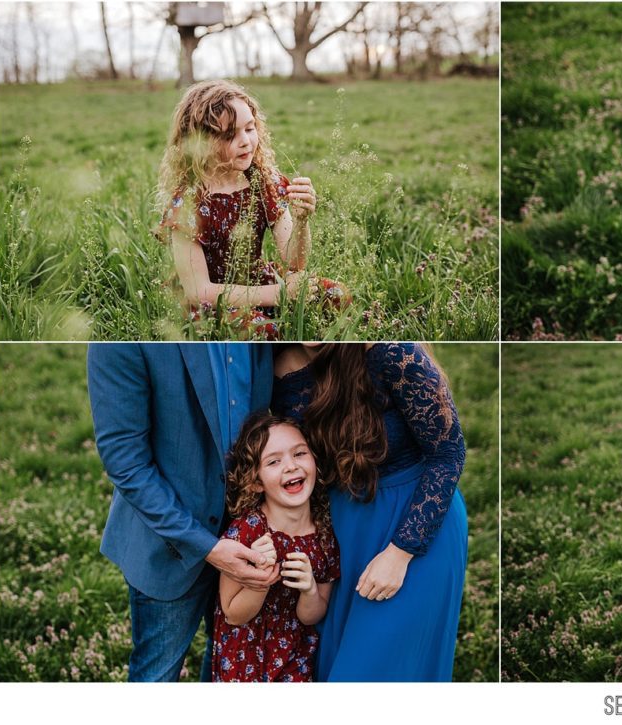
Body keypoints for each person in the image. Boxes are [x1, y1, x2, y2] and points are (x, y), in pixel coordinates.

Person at [272, 342, 468, 681]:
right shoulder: (272, 363)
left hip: (416, 521)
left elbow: (448, 454)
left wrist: (401, 552)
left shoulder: (390, 352)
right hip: (344, 533)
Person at [87, 343, 276, 681]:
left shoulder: (257, 322)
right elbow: (126, 462)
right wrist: (206, 547)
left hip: (249, 539)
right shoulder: (121, 341)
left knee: (227, 669)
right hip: (168, 543)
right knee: (157, 676)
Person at [155, 79, 349, 339]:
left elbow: (294, 260)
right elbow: (198, 291)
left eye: (250, 128)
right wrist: (279, 295)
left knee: (338, 296)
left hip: (259, 279)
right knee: (264, 332)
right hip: (215, 300)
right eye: (229, 135)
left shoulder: (264, 181)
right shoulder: (188, 203)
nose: (246, 141)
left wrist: (302, 221)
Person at [212, 414, 340, 682]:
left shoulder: (325, 537)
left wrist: (309, 590)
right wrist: (260, 581)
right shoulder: (247, 531)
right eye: (274, 461)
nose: (291, 466)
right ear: (256, 481)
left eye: (299, 453)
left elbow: (310, 617)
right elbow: (233, 614)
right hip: (243, 659)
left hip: (297, 659)